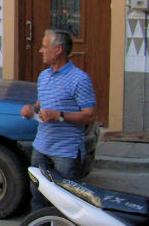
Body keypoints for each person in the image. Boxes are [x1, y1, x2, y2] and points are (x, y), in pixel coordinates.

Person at [20, 29, 96, 210]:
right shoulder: (43, 76)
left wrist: (59, 115)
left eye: (44, 47)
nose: (40, 51)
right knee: (37, 195)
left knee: (66, 201)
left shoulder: (80, 79)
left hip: (66, 152)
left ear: (58, 49)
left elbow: (90, 115)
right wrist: (32, 109)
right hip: (41, 147)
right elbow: (41, 103)